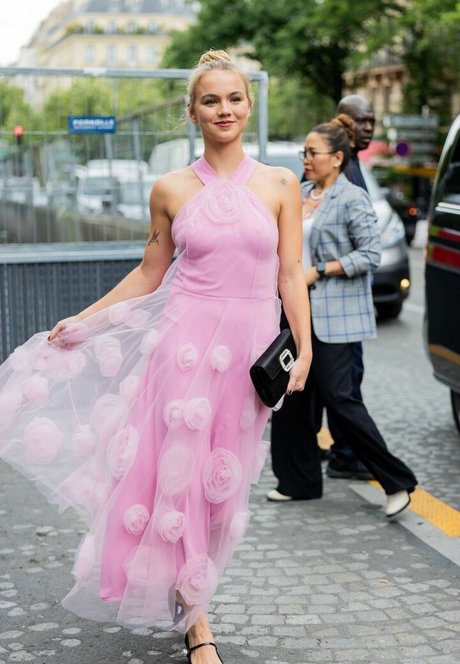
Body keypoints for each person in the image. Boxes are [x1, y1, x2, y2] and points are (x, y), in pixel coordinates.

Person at [0, 50, 312, 664]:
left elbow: (290, 272)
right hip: (182, 351)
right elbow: (149, 272)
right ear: (192, 112)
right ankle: (198, 622)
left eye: (234, 98)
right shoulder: (170, 188)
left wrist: (303, 347)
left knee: (223, 491)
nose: (224, 109)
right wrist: (87, 320)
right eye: (210, 100)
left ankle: (185, 582)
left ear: (248, 105)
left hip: (249, 363)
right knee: (180, 481)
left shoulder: (280, 184)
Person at [267, 114, 417, 518]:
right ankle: (297, 482)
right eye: (304, 152)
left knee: (341, 400)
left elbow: (370, 254)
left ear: (336, 158)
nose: (306, 159)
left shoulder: (352, 198)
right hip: (295, 312)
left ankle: (397, 481)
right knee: (292, 400)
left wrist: (320, 270)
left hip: (337, 316)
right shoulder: (299, 193)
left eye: (313, 153)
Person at [324, 94, 377, 481]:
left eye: (372, 121)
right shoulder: (342, 169)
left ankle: (335, 450)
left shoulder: (353, 165)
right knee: (345, 384)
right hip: (336, 295)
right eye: (362, 121)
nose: (368, 128)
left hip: (341, 295)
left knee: (338, 383)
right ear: (344, 120)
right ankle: (345, 453)